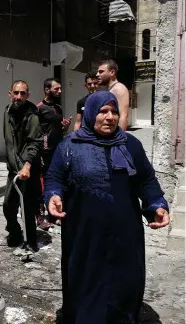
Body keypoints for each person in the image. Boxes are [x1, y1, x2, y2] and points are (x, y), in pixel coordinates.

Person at [45, 91, 170, 323]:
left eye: (114, 111)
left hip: (125, 233)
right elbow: (54, 178)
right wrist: (53, 196)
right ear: (92, 114)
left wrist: (156, 205)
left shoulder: (130, 144)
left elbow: (146, 181)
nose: (110, 117)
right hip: (84, 234)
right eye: (103, 111)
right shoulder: (70, 146)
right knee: (86, 280)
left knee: (124, 279)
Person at [0, 80, 44, 250]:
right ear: (10, 94)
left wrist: (27, 165)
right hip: (13, 170)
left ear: (28, 95)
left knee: (27, 208)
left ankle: (31, 242)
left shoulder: (33, 116)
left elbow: (34, 143)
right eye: (16, 93)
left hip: (27, 169)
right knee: (8, 206)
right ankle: (15, 234)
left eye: (23, 93)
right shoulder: (7, 111)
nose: (19, 97)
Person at [36, 78, 71, 228]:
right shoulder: (39, 108)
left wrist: (65, 127)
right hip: (44, 152)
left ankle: (55, 213)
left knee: (58, 181)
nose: (60, 91)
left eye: (60, 88)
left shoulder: (58, 108)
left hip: (58, 151)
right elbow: (36, 131)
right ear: (46, 89)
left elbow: (61, 131)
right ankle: (40, 216)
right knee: (42, 183)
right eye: (56, 89)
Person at [96, 59, 130, 130]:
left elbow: (124, 116)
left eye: (101, 72)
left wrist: (119, 138)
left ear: (112, 72)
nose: (97, 75)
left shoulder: (119, 88)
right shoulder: (111, 89)